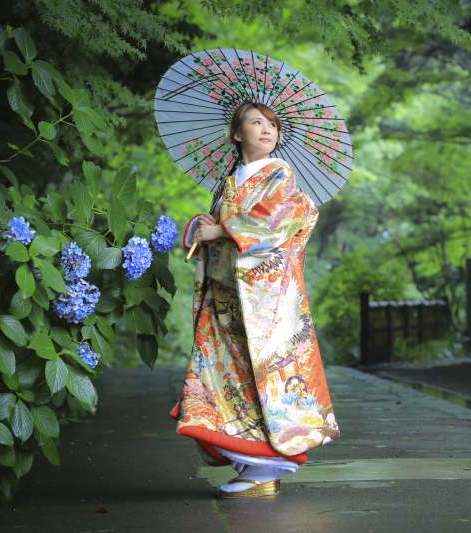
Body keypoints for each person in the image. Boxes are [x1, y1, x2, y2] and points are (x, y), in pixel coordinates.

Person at [169, 102, 340, 498]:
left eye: (272, 125)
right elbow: (218, 230)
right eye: (256, 122)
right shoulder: (229, 182)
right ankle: (252, 463)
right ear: (236, 134)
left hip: (264, 300)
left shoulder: (280, 174)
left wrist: (223, 230)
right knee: (228, 374)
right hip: (226, 295)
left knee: (263, 374)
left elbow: (281, 219)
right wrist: (204, 227)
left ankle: (265, 467)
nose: (266, 130)